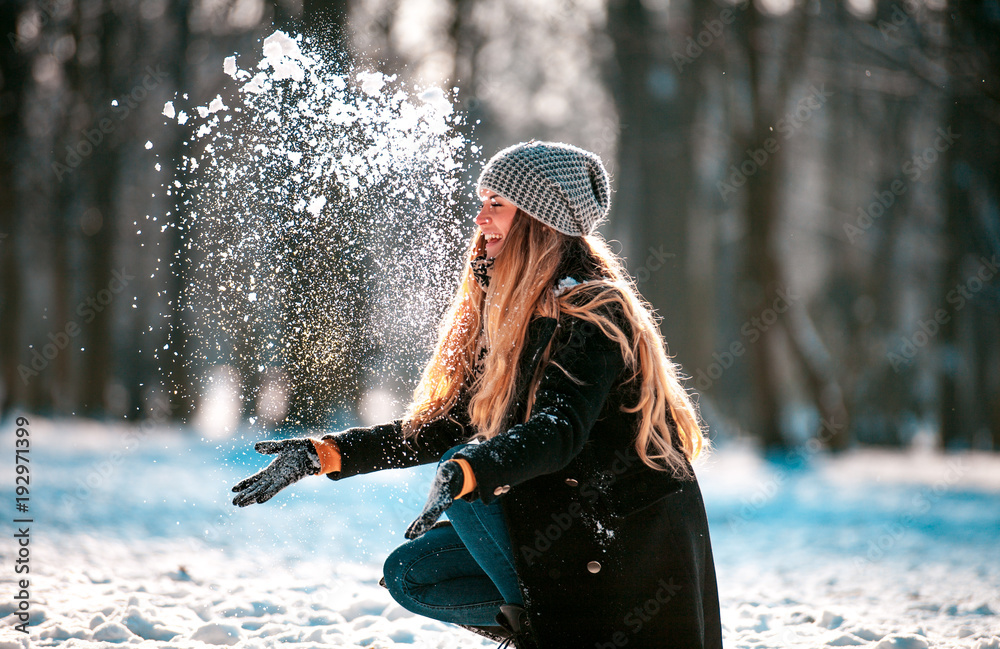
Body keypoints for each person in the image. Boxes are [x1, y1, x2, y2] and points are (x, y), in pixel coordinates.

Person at [232, 141, 723, 649]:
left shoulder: (592, 309)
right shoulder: (512, 310)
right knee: (413, 571)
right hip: (565, 526)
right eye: (482, 201)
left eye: (497, 204)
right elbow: (453, 424)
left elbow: (560, 430)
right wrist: (325, 454)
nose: (480, 219)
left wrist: (471, 470)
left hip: (621, 546)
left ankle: (566, 628)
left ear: (538, 219)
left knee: (468, 477)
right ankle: (543, 623)